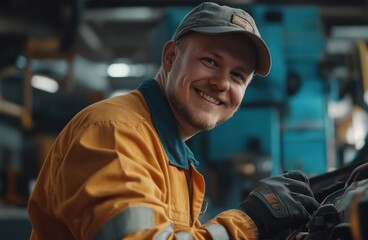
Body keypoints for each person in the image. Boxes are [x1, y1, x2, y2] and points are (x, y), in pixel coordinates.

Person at [28, 2, 319, 239]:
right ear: (170, 57)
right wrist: (249, 222)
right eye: (210, 61)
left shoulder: (170, 153)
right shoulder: (115, 132)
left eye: (237, 76)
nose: (221, 83)